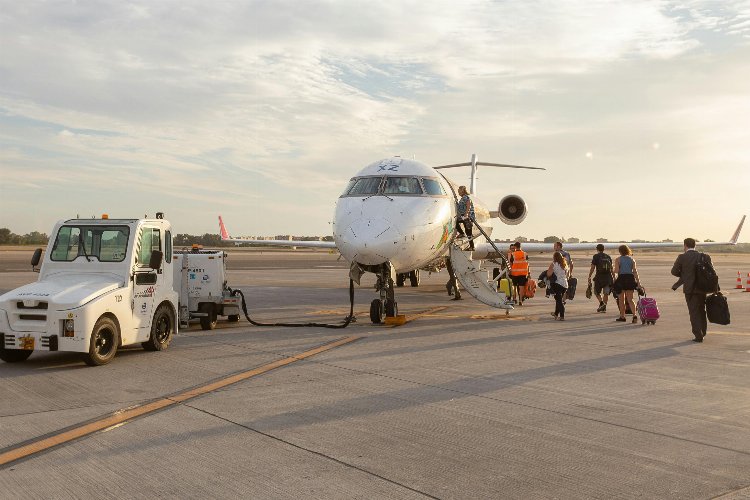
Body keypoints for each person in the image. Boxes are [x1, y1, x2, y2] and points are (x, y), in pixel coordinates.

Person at [671, 238, 711, 342]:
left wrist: (685, 275)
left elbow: (674, 271)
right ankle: (703, 331)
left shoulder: (682, 257)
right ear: (695, 245)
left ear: (685, 246)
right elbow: (710, 272)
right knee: (702, 310)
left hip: (690, 289)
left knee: (694, 312)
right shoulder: (704, 256)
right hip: (702, 288)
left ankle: (698, 335)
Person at [613, 244, 641, 323]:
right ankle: (634, 315)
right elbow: (635, 272)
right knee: (630, 299)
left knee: (621, 300)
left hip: (621, 279)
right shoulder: (632, 260)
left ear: (620, 251)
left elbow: (617, 271)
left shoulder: (618, 259)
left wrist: (613, 275)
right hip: (630, 279)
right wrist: (638, 283)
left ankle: (622, 316)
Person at [587, 244, 614, 313]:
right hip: (608, 277)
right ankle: (604, 307)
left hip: (599, 277)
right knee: (606, 293)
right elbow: (611, 268)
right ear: (603, 249)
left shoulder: (596, 256)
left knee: (596, 292)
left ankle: (602, 303)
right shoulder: (608, 256)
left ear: (597, 249)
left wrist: (589, 275)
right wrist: (614, 277)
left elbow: (592, 267)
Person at [546, 251, 569, 320]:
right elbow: (568, 275)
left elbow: (549, 274)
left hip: (557, 284)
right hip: (564, 284)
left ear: (554, 257)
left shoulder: (553, 264)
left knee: (559, 301)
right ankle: (556, 314)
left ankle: (562, 316)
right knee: (558, 300)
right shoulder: (565, 264)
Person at [455, 186, 475, 250]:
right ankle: (462, 233)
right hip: (463, 216)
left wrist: (466, 214)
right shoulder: (462, 198)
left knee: (468, 232)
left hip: (467, 217)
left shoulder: (466, 197)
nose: (458, 192)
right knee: (455, 222)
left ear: (462, 191)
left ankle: (472, 247)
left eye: (459, 191)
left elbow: (468, 205)